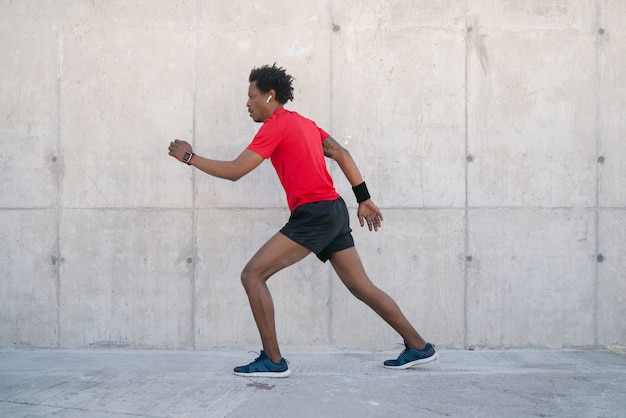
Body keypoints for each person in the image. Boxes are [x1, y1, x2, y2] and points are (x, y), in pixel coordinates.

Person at [168, 64, 438, 378]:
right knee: (362, 287)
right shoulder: (306, 124)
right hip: (333, 210)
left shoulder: (275, 125)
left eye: (251, 96)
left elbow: (235, 171)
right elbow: (342, 153)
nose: (247, 103)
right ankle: (418, 346)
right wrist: (363, 198)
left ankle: (273, 360)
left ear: (269, 96)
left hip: (315, 213)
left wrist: (189, 157)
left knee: (252, 275)